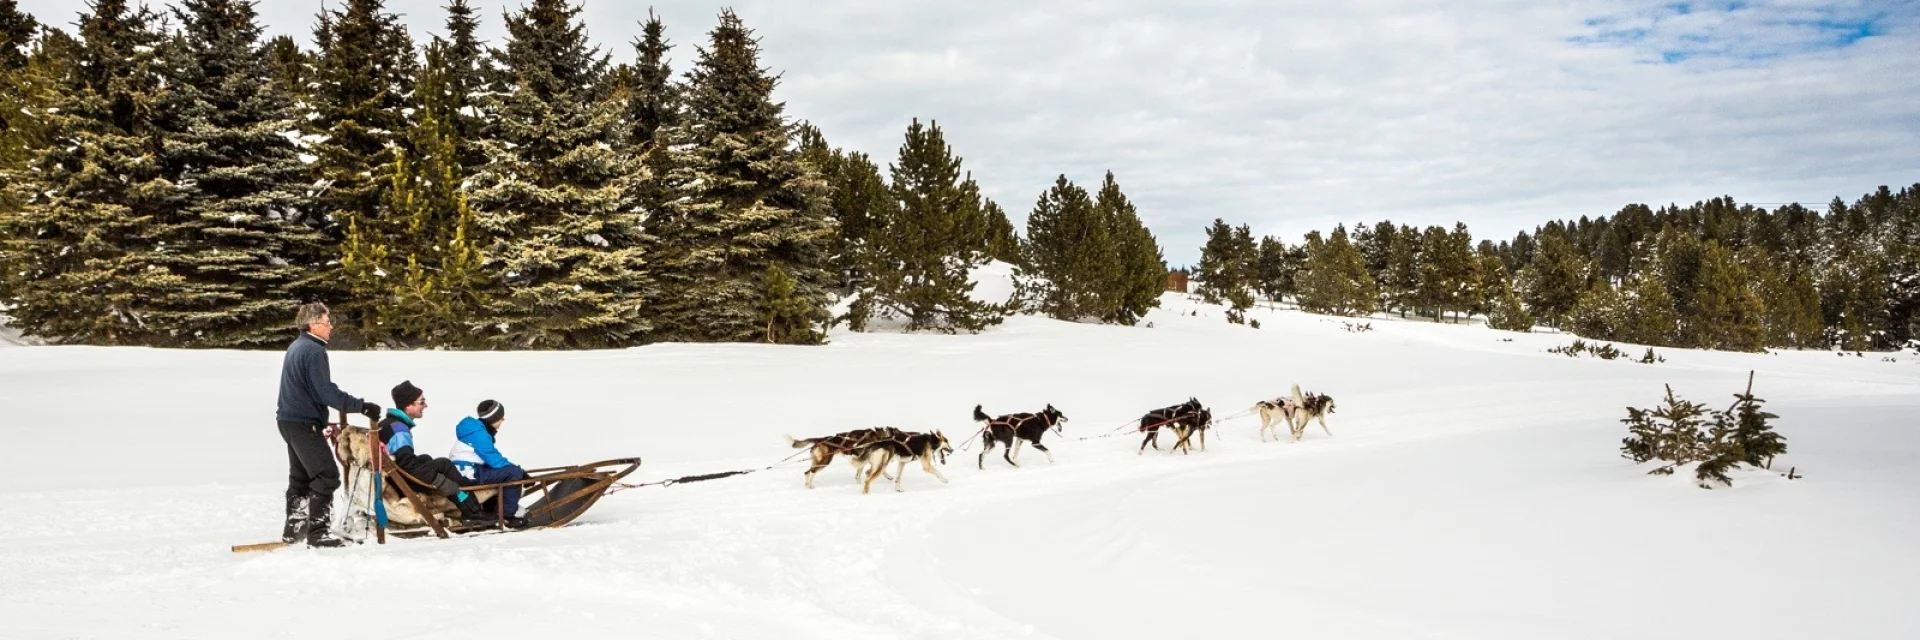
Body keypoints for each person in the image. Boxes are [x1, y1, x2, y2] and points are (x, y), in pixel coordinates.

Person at [276, 302, 381, 548]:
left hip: (289, 421)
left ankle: (295, 529)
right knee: (327, 476)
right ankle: (318, 533)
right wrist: (361, 406)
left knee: (301, 478)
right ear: (313, 324)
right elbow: (325, 392)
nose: (331, 327)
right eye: (327, 322)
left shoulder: (296, 346)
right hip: (303, 423)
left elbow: (308, 391)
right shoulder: (313, 351)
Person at [377, 381, 494, 526]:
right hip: (401, 482)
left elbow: (402, 460)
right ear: (409, 405)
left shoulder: (387, 424)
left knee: (429, 460)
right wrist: (440, 481)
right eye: (421, 402)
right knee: (444, 466)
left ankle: (467, 495)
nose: (425, 406)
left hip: (394, 477)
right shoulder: (399, 430)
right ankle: (472, 510)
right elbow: (408, 466)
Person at [453, 400, 531, 529]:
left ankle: (492, 509)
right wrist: (520, 472)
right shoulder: (479, 434)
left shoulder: (474, 431)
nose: (503, 420)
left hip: (467, 471)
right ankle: (507, 516)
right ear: (494, 418)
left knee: (503, 472)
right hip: (468, 474)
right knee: (513, 473)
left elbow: (491, 461)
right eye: (501, 417)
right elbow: (495, 460)